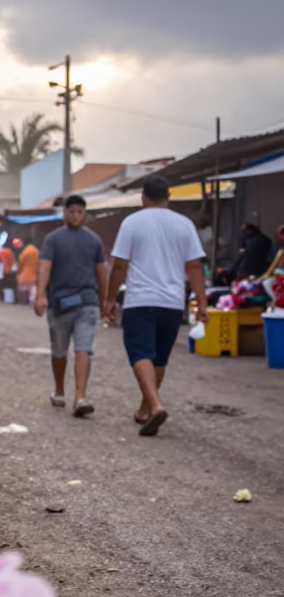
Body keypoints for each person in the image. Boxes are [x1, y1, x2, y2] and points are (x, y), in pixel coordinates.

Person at [103, 175, 208, 437]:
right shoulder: (185, 225)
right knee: (159, 358)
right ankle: (144, 410)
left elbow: (119, 265)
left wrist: (109, 299)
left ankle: (157, 405)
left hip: (140, 300)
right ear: (168, 197)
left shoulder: (132, 223)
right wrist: (202, 302)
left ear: (143, 197)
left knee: (140, 354)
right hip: (172, 303)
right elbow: (194, 266)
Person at [35, 194, 108, 417]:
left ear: (85, 214)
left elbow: (101, 273)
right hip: (59, 303)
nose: (75, 215)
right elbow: (45, 267)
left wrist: (104, 301)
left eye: (79, 212)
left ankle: (80, 397)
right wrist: (40, 295)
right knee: (59, 351)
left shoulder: (94, 240)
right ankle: (59, 390)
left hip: (87, 302)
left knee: (83, 349)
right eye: (71, 211)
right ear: (64, 213)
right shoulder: (53, 239)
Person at [16, 239, 40, 304]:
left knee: (23, 290)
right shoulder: (37, 251)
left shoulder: (25, 251)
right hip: (34, 275)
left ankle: (24, 301)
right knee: (32, 290)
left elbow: (21, 262)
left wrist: (18, 271)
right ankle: (31, 301)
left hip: (25, 274)